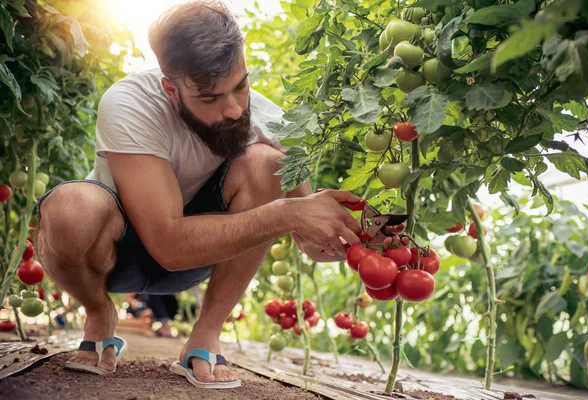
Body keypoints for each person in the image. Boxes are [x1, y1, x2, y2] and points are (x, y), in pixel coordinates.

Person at [34, 0, 362, 389]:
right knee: (69, 210)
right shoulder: (130, 104)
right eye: (210, 99)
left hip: (200, 256)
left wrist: (346, 239)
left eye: (240, 87)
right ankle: (98, 310)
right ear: (171, 89)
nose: (234, 110)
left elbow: (307, 230)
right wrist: (289, 214)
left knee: (266, 163)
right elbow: (168, 245)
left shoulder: (268, 120)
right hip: (115, 254)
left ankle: (206, 333)